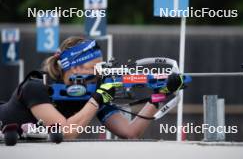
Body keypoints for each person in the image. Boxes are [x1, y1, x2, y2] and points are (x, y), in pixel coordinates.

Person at [0, 36, 183, 139]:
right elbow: (65, 132)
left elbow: (131, 132)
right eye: (96, 67)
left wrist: (160, 94)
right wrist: (97, 99)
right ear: (76, 67)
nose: (100, 73)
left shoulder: (92, 93)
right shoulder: (36, 87)